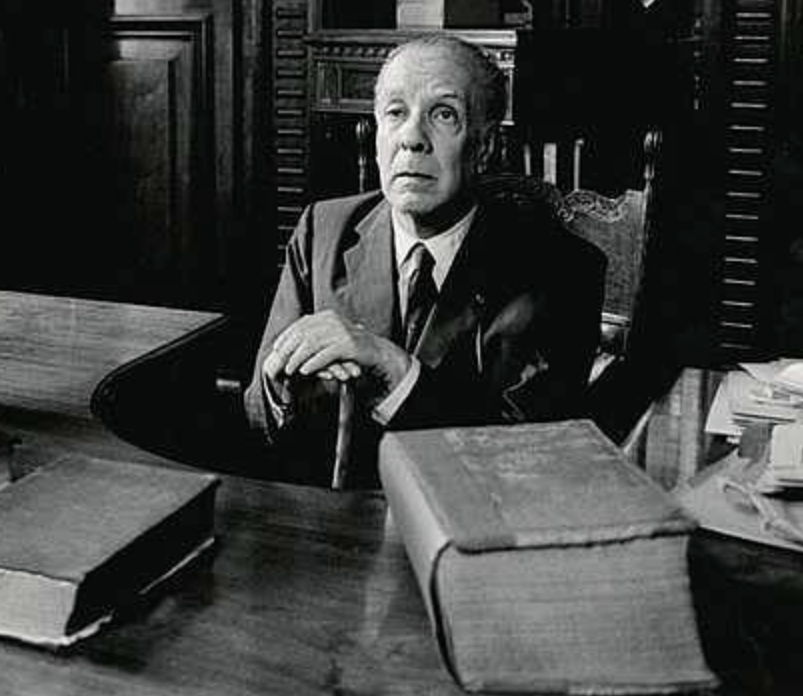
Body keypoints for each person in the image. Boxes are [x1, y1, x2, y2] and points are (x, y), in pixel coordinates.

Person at [243, 34, 606, 487]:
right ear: (377, 136)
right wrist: (279, 385)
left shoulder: (559, 269)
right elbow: (257, 413)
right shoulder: (322, 230)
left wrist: (392, 368)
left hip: (467, 537)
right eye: (396, 113)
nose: (412, 138)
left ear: (486, 146)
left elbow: (522, 466)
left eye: (444, 115)